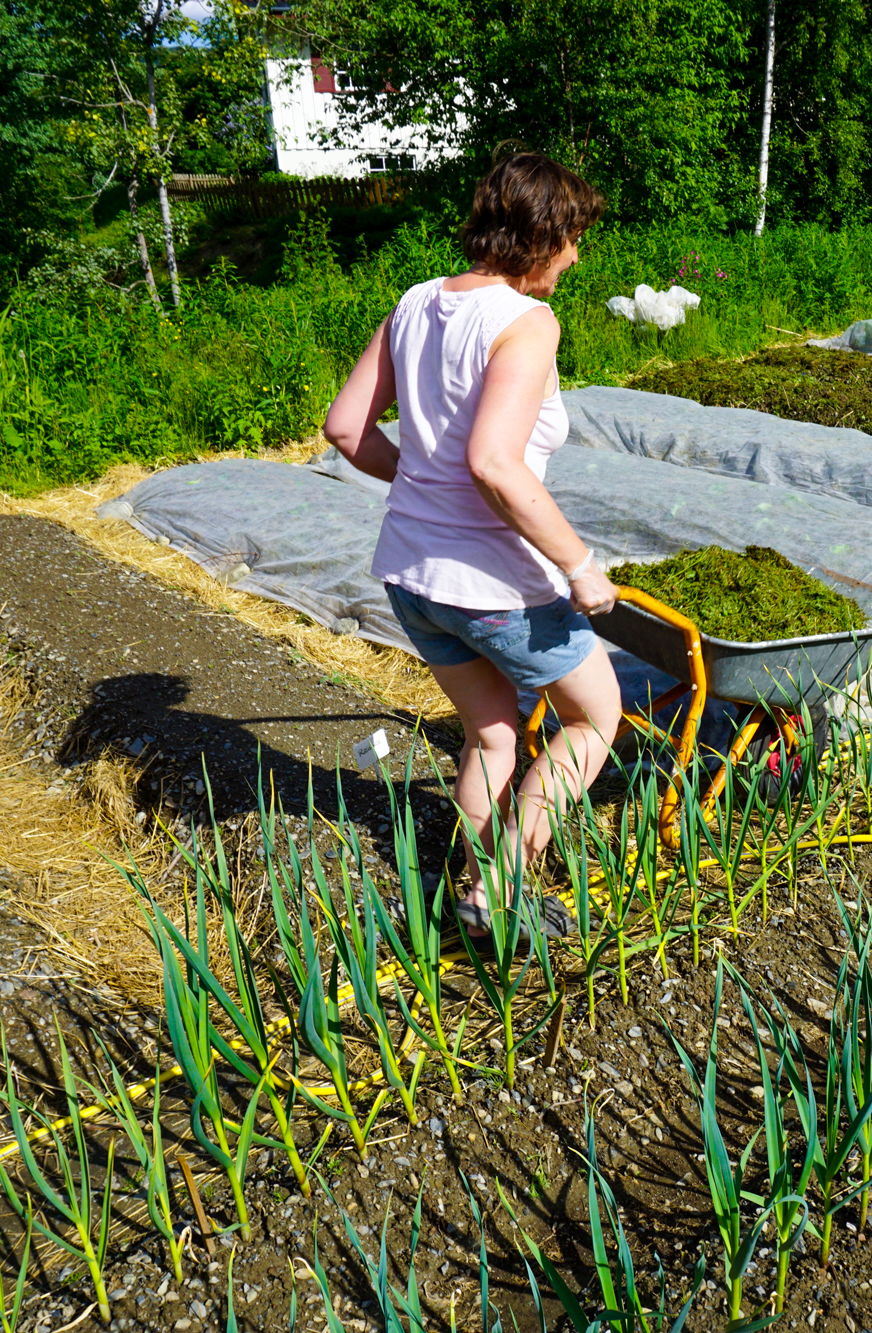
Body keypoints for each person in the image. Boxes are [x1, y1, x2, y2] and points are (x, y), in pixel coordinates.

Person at [321, 153, 621, 938]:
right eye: (574, 239)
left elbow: (346, 430)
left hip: (412, 578)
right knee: (594, 720)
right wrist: (581, 567)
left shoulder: (415, 301)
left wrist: (421, 483)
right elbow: (493, 462)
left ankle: (473, 883)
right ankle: (499, 892)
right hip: (495, 589)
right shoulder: (527, 323)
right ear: (542, 235)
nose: (578, 257)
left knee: (492, 734)